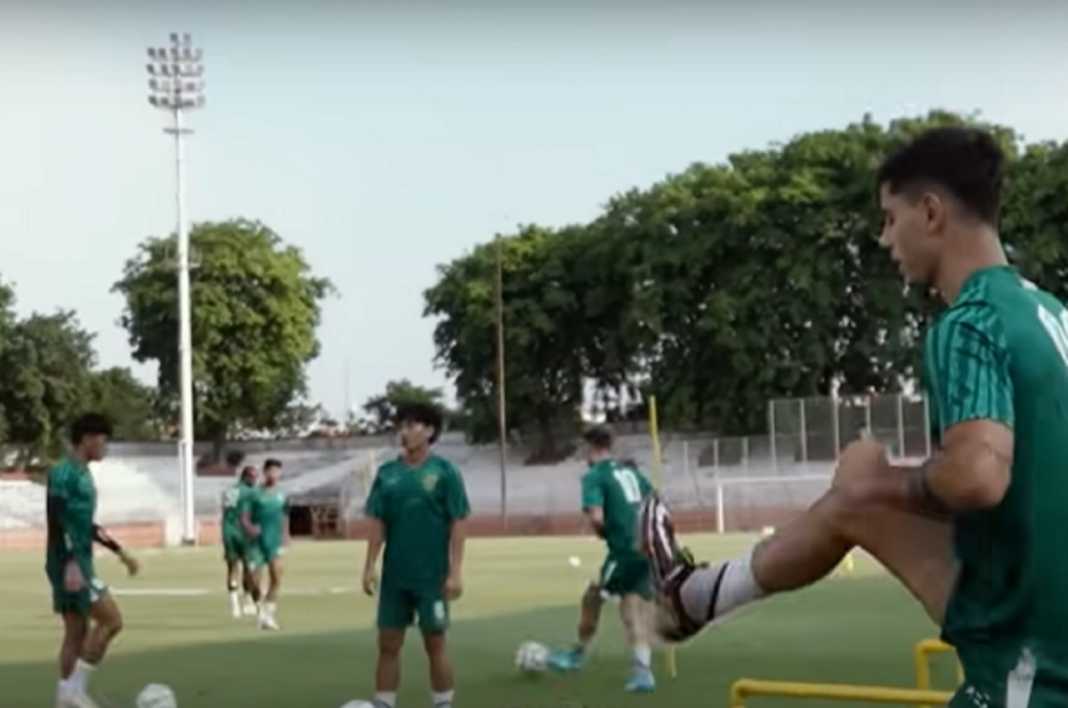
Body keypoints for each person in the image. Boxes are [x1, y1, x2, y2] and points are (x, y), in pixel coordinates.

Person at [641, 126, 1068, 706]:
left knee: (864, 485)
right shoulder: (1051, 314)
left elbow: (976, 475)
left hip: (1031, 669)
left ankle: (692, 597)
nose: (885, 237)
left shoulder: (971, 323)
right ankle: (693, 596)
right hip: (1034, 619)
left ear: (932, 213)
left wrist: (890, 479)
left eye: (891, 217)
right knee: (857, 503)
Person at [362, 403, 470, 708]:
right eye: (403, 425)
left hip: (432, 575)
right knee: (387, 645)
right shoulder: (387, 474)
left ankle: (443, 704)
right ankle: (383, 704)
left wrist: (456, 571)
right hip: (395, 575)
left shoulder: (445, 472)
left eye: (413, 425)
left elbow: (458, 520)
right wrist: (369, 565)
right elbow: (377, 522)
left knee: (435, 644)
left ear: (430, 431)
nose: (405, 432)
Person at [548, 428, 656, 693]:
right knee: (631, 607)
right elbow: (655, 504)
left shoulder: (594, 476)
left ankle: (577, 655)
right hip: (647, 550)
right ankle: (643, 673)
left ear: (589, 448)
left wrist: (604, 532)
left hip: (623, 551)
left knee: (592, 597)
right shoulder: (632, 473)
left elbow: (596, 517)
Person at [46, 413, 140, 708]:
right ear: (87, 438)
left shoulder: (84, 474)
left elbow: (85, 524)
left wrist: (119, 551)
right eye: (103, 439)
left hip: (75, 560)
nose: (105, 446)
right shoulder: (64, 473)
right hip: (69, 563)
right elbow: (58, 517)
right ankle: (75, 691)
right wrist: (73, 560)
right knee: (112, 621)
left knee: (76, 631)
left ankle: (65, 698)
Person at [242, 458, 287, 631]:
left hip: (274, 542)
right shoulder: (254, 494)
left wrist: (286, 536)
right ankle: (260, 608)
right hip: (256, 543)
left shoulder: (282, 494)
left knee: (276, 577)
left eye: (278, 471)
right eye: (271, 471)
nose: (275, 474)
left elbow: (284, 517)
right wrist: (250, 528)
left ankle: (268, 614)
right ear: (265, 472)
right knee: (254, 580)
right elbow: (244, 517)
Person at [220, 452, 260, 619]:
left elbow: (225, 511)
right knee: (248, 567)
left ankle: (235, 607)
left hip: (228, 531)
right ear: (247, 477)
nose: (256, 480)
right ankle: (249, 602)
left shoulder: (229, 490)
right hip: (243, 532)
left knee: (232, 568)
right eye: (254, 477)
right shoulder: (252, 492)